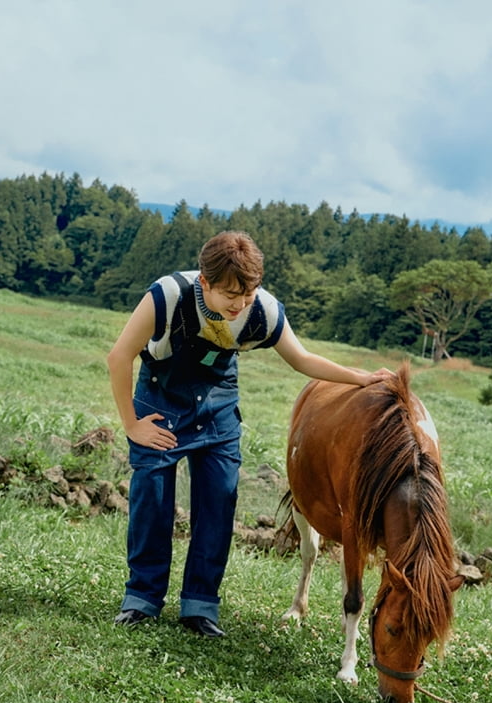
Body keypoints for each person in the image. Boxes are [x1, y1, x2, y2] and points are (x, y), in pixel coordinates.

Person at [107, 231, 392, 637]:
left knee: (218, 505)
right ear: (205, 282)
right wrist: (132, 425)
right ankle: (142, 600)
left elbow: (302, 359)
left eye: (249, 293)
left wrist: (361, 378)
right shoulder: (168, 295)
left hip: (220, 406)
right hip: (161, 400)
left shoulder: (265, 311)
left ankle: (200, 607)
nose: (240, 304)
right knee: (152, 498)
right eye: (229, 295)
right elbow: (118, 356)